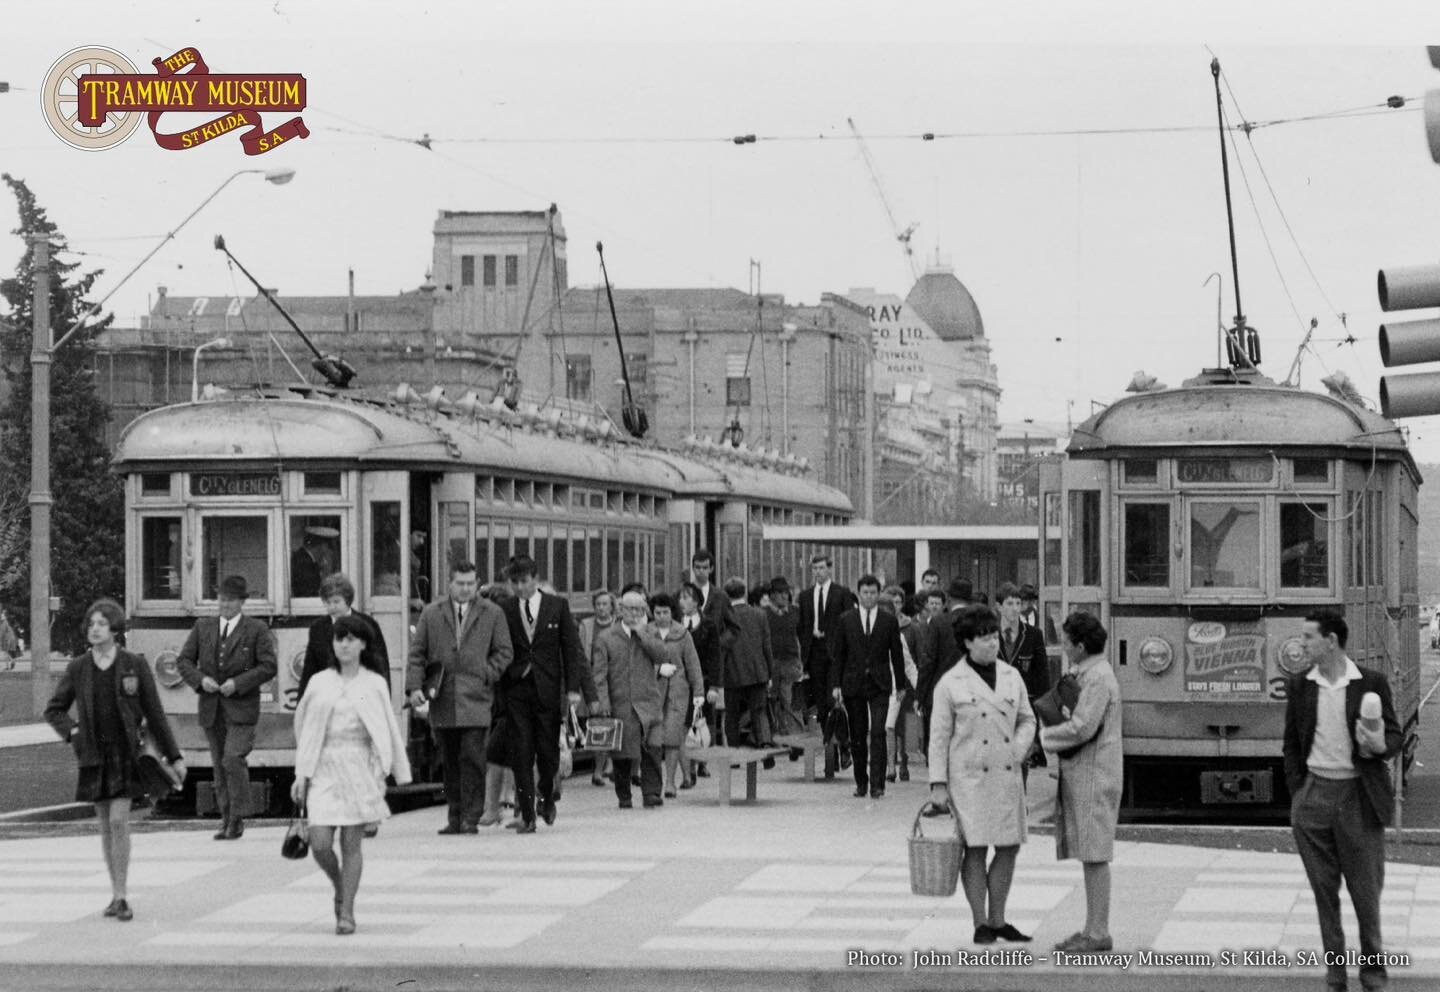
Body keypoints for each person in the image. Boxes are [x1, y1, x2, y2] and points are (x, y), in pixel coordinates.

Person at [45, 599, 185, 922]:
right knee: (106, 826)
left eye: (102, 624)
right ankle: (114, 892)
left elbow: (155, 713)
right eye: (91, 624)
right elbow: (54, 709)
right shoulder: (78, 667)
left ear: (115, 629)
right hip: (94, 756)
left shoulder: (134, 664)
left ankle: (122, 895)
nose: (95, 629)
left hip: (126, 754)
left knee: (120, 821)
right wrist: (74, 733)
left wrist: (174, 756)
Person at [1284, 609, 1402, 992]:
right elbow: (1291, 744)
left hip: (1358, 797)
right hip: (1315, 795)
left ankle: (1373, 974)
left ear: (1330, 641)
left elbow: (1394, 736)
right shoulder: (1301, 685)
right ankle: (1336, 975)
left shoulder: (1370, 683)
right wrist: (1299, 793)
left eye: (1308, 637)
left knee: (1366, 893)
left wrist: (1381, 745)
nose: (1302, 644)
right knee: (1324, 892)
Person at [291, 614, 411, 935]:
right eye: (338, 638)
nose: (343, 644)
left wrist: (383, 772)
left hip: (358, 767)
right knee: (319, 843)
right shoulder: (320, 682)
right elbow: (305, 728)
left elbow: (384, 730)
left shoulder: (373, 684)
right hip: (323, 768)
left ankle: (347, 912)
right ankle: (338, 885)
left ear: (362, 644)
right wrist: (301, 774)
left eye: (350, 639)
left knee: (351, 844)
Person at [928, 605, 1036, 945]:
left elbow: (1027, 719)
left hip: (1006, 775)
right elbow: (939, 737)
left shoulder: (1011, 675)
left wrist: (1017, 751)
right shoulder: (950, 683)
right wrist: (938, 785)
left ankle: (999, 918)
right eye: (984, 638)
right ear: (966, 643)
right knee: (975, 849)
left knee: (1008, 847)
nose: (991, 643)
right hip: (969, 779)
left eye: (993, 637)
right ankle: (980, 923)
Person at [406, 560, 512, 835]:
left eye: (470, 584)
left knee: (473, 757)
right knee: (449, 760)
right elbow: (417, 654)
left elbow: (504, 651)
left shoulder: (492, 613)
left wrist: (486, 673)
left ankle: (470, 817)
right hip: (443, 697)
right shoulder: (432, 613)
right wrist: (415, 688)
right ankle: (455, 815)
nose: (466, 589)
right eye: (460, 583)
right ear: (450, 584)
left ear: (477, 584)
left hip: (476, 698)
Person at [1039, 611, 1122, 954]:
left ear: (1081, 645)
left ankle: (1098, 931)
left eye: (1068, 642)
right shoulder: (1091, 673)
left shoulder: (1098, 678)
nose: (1064, 648)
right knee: (1090, 853)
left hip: (1095, 773)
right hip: (1089, 772)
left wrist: (1043, 737)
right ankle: (1092, 927)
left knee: (1095, 854)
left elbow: (1082, 727)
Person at [495, 555, 595, 833]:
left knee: (548, 753)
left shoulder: (557, 606)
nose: (519, 588)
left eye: (524, 581)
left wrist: (573, 689)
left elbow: (571, 650)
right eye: (514, 582)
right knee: (521, 753)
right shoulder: (505, 609)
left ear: (535, 580)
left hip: (548, 690)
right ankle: (528, 815)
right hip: (516, 689)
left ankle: (547, 795)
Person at [175, 575, 277, 840]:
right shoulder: (203, 627)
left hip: (242, 709)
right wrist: (200, 680)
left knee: (233, 758)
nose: (225, 604)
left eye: (231, 600)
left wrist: (239, 683)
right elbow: (184, 661)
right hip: (212, 708)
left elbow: (268, 666)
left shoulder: (256, 629)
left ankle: (238, 816)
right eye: (221, 599)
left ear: (242, 602)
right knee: (219, 766)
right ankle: (227, 819)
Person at [829, 575, 908, 799]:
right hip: (853, 684)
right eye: (865, 592)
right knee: (858, 734)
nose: (869, 597)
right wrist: (836, 684)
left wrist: (900, 684)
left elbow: (897, 654)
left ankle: (877, 784)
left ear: (878, 594)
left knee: (878, 732)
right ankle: (861, 782)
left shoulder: (888, 621)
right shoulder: (846, 620)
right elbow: (839, 655)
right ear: (859, 594)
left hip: (880, 683)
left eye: (873, 593)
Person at [591, 590, 669, 808]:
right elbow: (599, 675)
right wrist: (603, 702)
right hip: (621, 703)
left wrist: (642, 634)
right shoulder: (606, 638)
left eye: (639, 609)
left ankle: (651, 793)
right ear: (620, 610)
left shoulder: (649, 633)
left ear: (645, 611)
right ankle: (624, 794)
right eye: (629, 608)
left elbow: (662, 655)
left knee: (653, 749)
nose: (634, 613)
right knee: (623, 754)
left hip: (648, 702)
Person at [798, 553, 857, 777]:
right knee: (821, 707)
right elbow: (801, 626)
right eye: (814, 569)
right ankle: (832, 748)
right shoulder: (805, 596)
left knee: (834, 702)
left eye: (822, 568)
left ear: (829, 569)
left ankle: (843, 746)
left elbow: (849, 621)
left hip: (835, 654)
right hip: (814, 653)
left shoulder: (841, 593)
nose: (818, 572)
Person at [649, 592, 705, 798]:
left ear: (672, 612)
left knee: (673, 737)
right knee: (654, 739)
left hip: (677, 693)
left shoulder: (682, 634)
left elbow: (693, 664)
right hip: (652, 693)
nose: (661, 616)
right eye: (657, 612)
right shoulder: (646, 633)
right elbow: (638, 662)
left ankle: (670, 783)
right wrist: (657, 669)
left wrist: (698, 692)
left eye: (665, 612)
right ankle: (657, 780)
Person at [297, 574, 390, 699]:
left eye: (336, 601)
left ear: (347, 599)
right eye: (327, 602)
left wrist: (384, 698)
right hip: (327, 697)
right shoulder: (317, 628)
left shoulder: (367, 624)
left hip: (362, 695)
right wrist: (302, 705)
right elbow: (309, 669)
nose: (332, 607)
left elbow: (381, 664)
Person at [995, 581, 1051, 781]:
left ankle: (1021, 799)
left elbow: (1042, 674)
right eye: (1009, 603)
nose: (1015, 609)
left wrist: (1041, 707)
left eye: (1018, 604)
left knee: (1022, 755)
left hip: (1023, 704)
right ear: (999, 606)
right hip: (995, 704)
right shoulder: (989, 633)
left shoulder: (1034, 635)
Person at [722, 577, 777, 750]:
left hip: (732, 672)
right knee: (759, 711)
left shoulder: (724, 617)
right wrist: (769, 673)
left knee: (732, 715)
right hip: (757, 671)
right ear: (744, 592)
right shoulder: (760, 614)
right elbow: (767, 646)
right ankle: (764, 743)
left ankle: (733, 753)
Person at [678, 581, 720, 777]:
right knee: (684, 723)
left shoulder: (709, 625)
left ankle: (702, 761)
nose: (681, 601)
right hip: (680, 682)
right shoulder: (675, 624)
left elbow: (715, 657)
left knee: (702, 723)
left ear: (696, 602)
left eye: (686, 598)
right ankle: (689, 766)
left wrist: (714, 686)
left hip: (703, 681)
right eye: (680, 597)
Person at [880, 585, 921, 782]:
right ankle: (888, 764)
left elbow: (910, 665)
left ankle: (892, 767)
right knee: (880, 729)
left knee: (892, 727)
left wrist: (921, 689)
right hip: (873, 689)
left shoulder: (900, 636)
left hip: (895, 690)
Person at [579, 591, 618, 787]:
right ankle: (600, 766)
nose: (601, 608)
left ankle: (603, 766)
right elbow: (580, 653)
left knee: (610, 720)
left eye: (605, 604)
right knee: (598, 722)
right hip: (592, 678)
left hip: (613, 679)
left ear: (612, 606)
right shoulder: (586, 626)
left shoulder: (617, 626)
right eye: (598, 604)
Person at [765, 578, 805, 737]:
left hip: (791, 662)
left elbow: (802, 637)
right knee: (771, 702)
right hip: (771, 663)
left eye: (786, 592)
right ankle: (776, 737)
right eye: (780, 593)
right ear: (772, 595)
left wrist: (801, 662)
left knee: (792, 703)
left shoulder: (796, 612)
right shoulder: (764, 614)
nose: (784, 596)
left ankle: (797, 739)